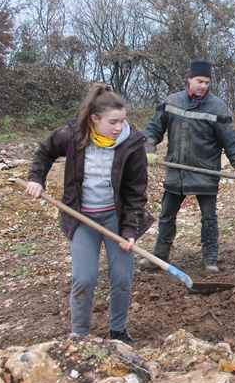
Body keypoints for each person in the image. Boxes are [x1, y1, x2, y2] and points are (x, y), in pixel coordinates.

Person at [26, 83, 153, 345]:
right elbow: (45, 151)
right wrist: (37, 179)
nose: (118, 127)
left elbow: (135, 192)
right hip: (82, 218)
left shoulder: (131, 144)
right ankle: (79, 335)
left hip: (116, 218)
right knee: (84, 278)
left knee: (121, 278)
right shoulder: (73, 135)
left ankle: (118, 331)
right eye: (112, 122)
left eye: (122, 120)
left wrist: (130, 230)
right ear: (94, 119)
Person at [142, 59, 235, 273]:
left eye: (207, 82)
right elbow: (153, 128)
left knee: (209, 218)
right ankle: (160, 256)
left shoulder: (217, 107)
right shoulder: (172, 102)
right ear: (189, 79)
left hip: (205, 172)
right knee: (166, 216)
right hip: (176, 170)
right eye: (199, 81)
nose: (203, 86)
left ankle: (210, 259)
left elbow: (230, 141)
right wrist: (149, 147)